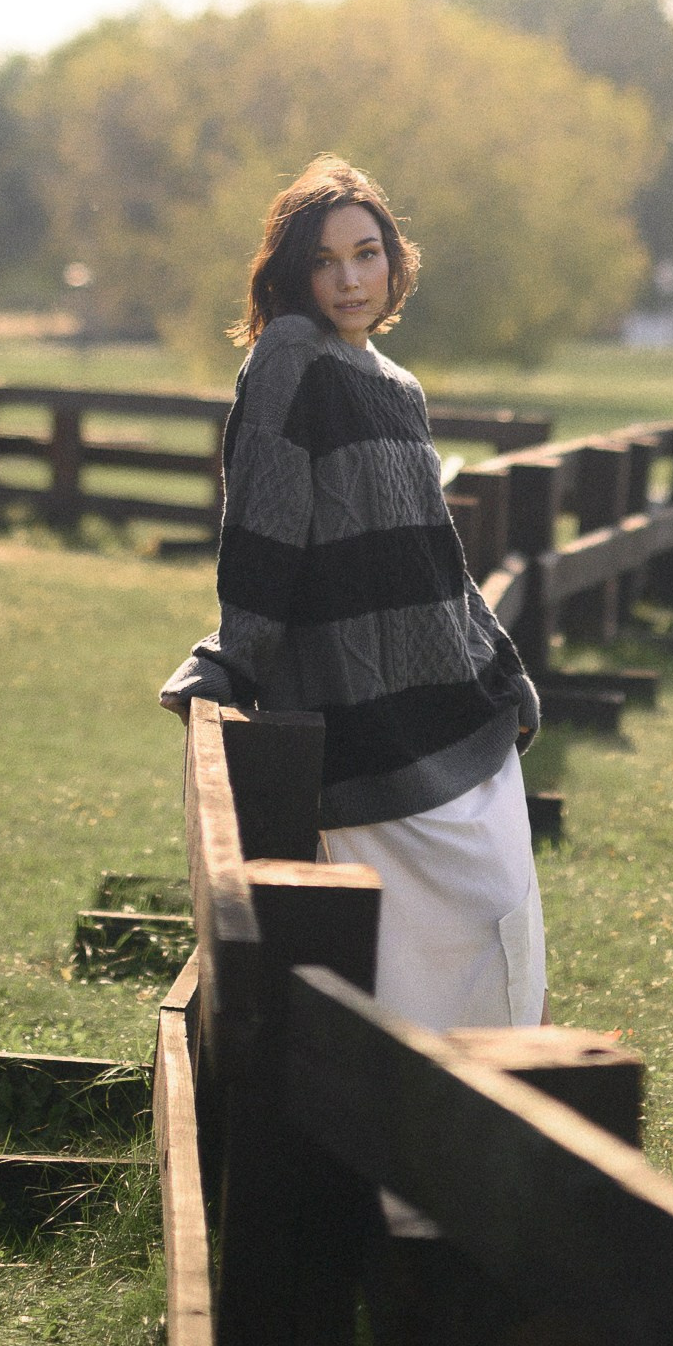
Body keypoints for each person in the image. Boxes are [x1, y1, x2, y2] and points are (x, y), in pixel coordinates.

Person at [160, 154, 545, 1030]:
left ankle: (483, 1100)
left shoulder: (398, 387)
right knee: (418, 949)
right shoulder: (288, 360)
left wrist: (502, 666)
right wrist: (233, 657)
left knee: (501, 916)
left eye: (366, 254)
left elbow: (434, 556)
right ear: (293, 274)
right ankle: (412, 1103)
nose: (349, 280)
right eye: (325, 261)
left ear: (393, 260)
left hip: (450, 707)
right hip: (361, 721)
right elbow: (261, 527)